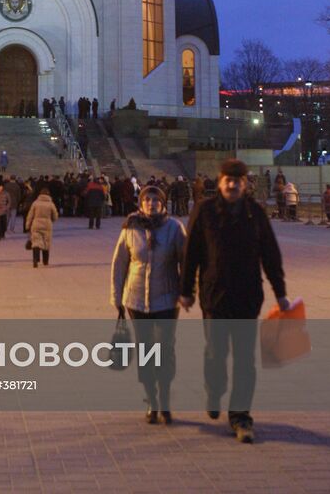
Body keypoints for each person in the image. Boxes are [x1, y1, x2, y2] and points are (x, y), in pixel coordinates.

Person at [179, 158, 290, 444]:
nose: (232, 185)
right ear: (220, 181)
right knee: (215, 353)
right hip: (214, 297)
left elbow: (271, 254)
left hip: (247, 298)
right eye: (228, 179)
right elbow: (191, 253)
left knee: (244, 361)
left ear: (245, 184)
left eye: (237, 181)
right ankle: (214, 390)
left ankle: (241, 416)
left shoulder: (255, 213)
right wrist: (186, 290)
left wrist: (281, 292)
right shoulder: (204, 211)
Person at [111, 185, 186, 424]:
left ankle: (164, 397)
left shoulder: (174, 228)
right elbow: (119, 263)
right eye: (147, 200)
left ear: (163, 203)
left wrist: (187, 292)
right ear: (140, 203)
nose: (151, 204)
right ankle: (151, 399)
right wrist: (117, 296)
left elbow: (186, 261)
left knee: (164, 349)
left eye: (156, 200)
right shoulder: (130, 227)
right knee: (145, 351)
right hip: (135, 300)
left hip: (166, 298)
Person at [26, 186, 59, 267]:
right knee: (46, 242)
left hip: (36, 224)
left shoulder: (35, 203)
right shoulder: (51, 204)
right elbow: (55, 216)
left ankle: (35, 259)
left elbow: (30, 215)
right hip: (47, 225)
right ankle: (45, 261)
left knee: (36, 242)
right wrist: (51, 220)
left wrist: (27, 225)